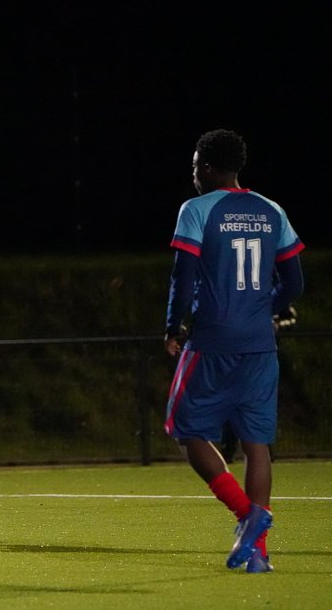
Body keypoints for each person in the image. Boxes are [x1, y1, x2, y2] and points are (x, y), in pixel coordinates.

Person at [163, 130, 304, 573]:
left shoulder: (196, 210)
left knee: (183, 428)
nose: (193, 175)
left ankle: (247, 515)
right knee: (256, 444)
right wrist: (263, 311)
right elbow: (295, 282)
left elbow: (183, 276)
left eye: (194, 166)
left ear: (207, 167)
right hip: (260, 345)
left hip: (212, 340)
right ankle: (258, 552)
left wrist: (173, 326)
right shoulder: (271, 209)